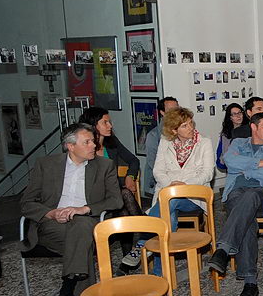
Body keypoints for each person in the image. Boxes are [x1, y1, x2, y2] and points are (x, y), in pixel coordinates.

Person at [20, 123, 123, 296]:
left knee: (82, 228)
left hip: (88, 221)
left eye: (93, 140)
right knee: (82, 242)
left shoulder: (104, 165)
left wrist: (85, 209)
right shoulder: (46, 165)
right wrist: (51, 213)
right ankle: (76, 295)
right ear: (70, 146)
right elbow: (26, 203)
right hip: (53, 226)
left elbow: (116, 200)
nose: (94, 145)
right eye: (87, 142)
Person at [207, 112, 263, 296]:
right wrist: (258, 164)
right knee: (246, 218)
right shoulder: (238, 143)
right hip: (236, 193)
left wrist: (245, 169)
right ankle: (250, 285)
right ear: (253, 127)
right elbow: (229, 161)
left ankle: (223, 250)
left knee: (249, 198)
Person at [139, 108, 215, 276]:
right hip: (168, 192)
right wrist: (171, 185)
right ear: (174, 130)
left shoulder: (204, 142)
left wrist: (183, 186)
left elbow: (207, 174)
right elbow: (158, 171)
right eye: (185, 126)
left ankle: (144, 236)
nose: (191, 128)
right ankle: (160, 273)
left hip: (194, 195)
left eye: (191, 123)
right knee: (168, 217)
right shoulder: (165, 142)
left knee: (170, 202)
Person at [77, 107, 146, 270]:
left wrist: (130, 176)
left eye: (109, 122)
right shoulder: (84, 149)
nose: (110, 126)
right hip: (94, 198)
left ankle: (128, 260)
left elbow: (133, 160)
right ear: (93, 125)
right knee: (124, 196)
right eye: (105, 122)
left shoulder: (111, 142)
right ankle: (146, 230)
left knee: (123, 208)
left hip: (114, 196)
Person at [144, 96, 179, 197]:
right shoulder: (153, 135)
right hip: (159, 182)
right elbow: (153, 163)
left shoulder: (183, 130)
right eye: (171, 110)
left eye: (177, 109)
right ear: (162, 112)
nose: (175, 112)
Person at [215, 102, 246, 171]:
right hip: (231, 168)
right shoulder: (226, 134)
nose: (238, 116)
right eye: (234, 114)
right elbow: (221, 154)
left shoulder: (249, 129)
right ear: (230, 117)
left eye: (239, 113)